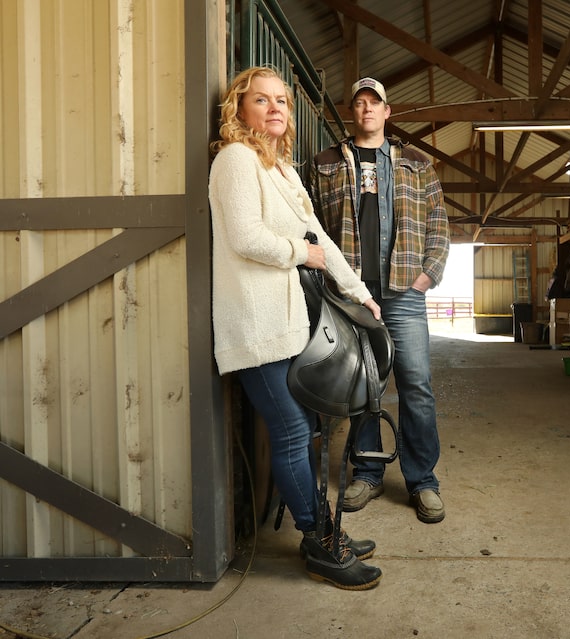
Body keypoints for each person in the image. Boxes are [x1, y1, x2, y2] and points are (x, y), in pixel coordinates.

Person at [208, 66, 383, 590]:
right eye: (261, 100)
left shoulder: (281, 169)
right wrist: (298, 253)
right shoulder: (234, 160)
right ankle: (318, 543)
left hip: (290, 325)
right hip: (256, 326)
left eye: (281, 100)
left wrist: (361, 294)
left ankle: (324, 530)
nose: (275, 108)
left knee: (303, 433)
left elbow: (322, 241)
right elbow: (244, 237)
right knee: (290, 432)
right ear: (240, 108)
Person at [309, 77, 451, 524]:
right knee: (362, 387)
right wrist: (327, 279)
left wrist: (426, 278)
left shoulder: (418, 164)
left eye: (376, 103)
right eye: (360, 103)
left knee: (416, 385)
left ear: (388, 112)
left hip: (404, 292)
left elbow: (440, 227)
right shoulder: (323, 163)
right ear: (352, 112)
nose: (367, 109)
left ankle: (422, 480)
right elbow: (306, 224)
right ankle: (367, 473)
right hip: (352, 294)